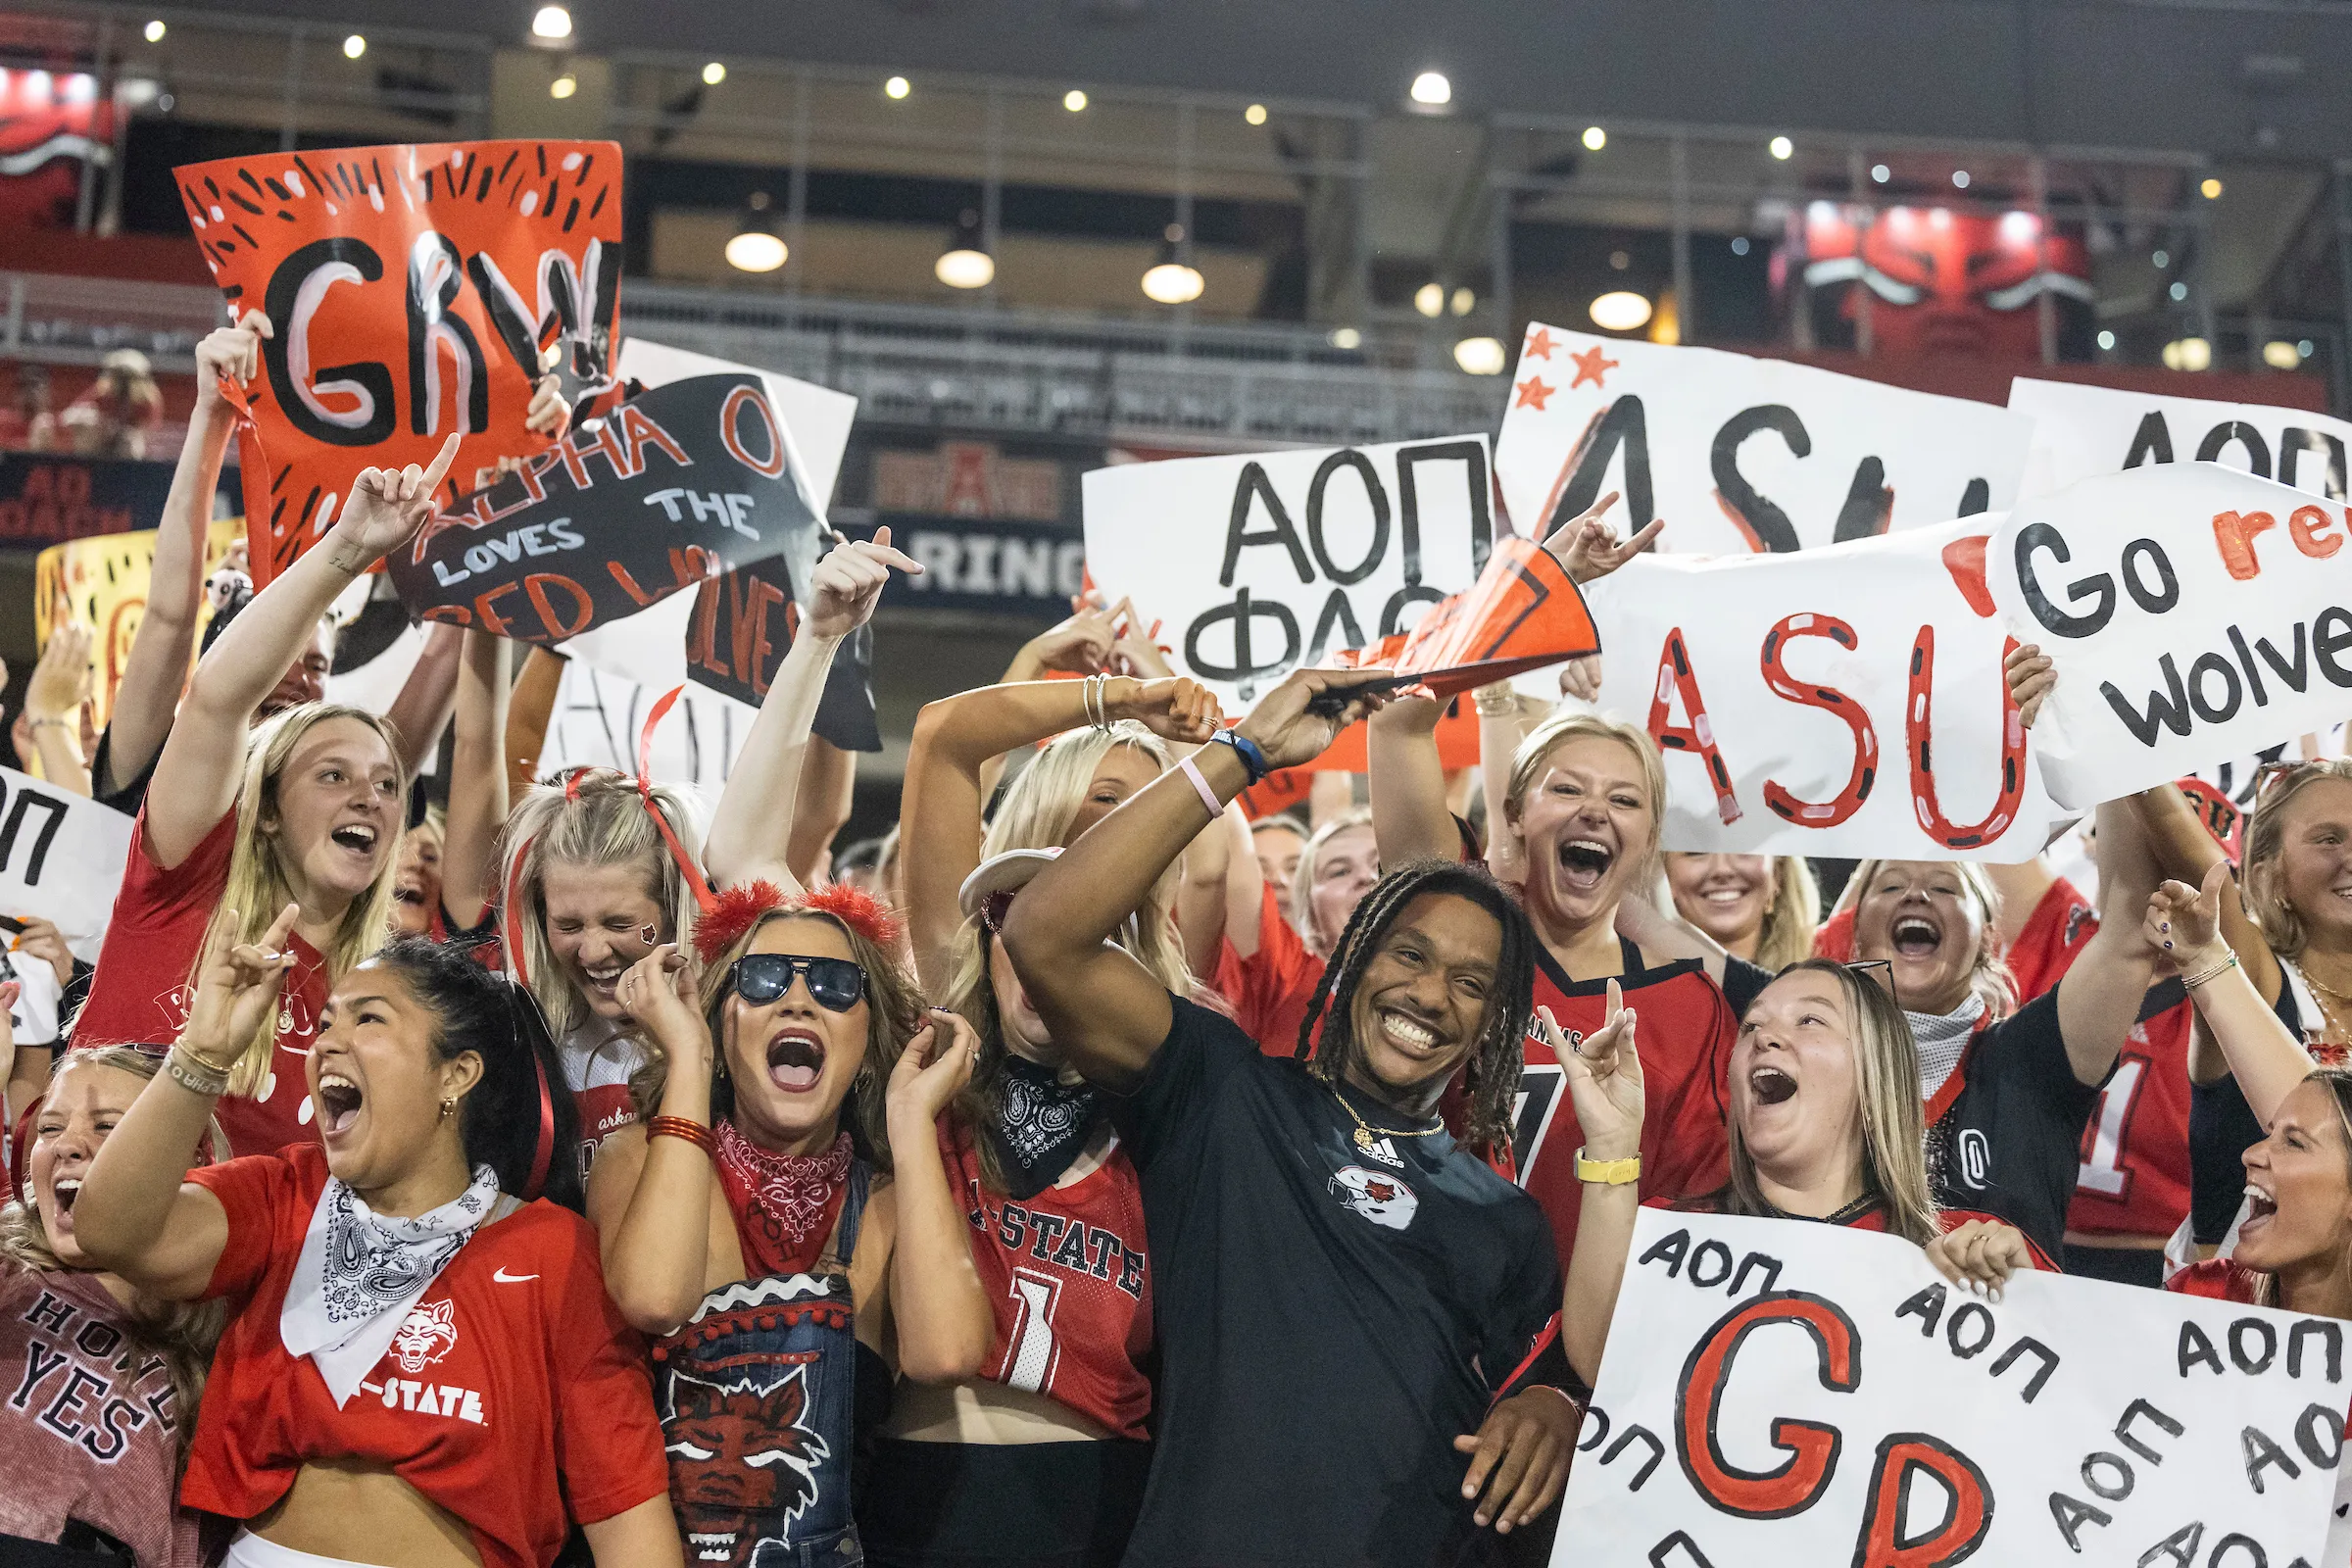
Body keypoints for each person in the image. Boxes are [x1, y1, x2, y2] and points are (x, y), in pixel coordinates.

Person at [1002, 665, 1581, 1564]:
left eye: (1471, 984)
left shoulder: (1506, 1219)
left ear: (1493, 1026)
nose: (1430, 995)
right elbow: (1044, 934)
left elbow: (1547, 1390)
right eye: (1409, 955)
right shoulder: (1224, 1093)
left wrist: (1557, 1407)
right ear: (1347, 961)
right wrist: (1244, 755)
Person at [72, 918, 680, 1568]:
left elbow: (624, 1513)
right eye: (326, 1023)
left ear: (456, 1074)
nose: (329, 1043)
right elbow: (111, 1229)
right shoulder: (287, 1197)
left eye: (368, 1020)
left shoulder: (552, 1253)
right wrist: (202, 1053)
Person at [871, 667, 1217, 1566]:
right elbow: (945, 734)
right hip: (921, 1491)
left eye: (1150, 812)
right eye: (1104, 798)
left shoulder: (1173, 1058)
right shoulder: (955, 985)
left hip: (1099, 1505)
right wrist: (1124, 699)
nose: (1122, 828)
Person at [70, 436, 463, 1156]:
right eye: (333, 776)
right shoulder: (187, 876)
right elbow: (216, 699)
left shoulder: (378, 1003)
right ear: (270, 810)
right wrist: (347, 550)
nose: (368, 799)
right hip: (67, 1261)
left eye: (385, 786)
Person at [589, 888, 992, 1567]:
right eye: (763, 979)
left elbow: (947, 1354)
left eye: (837, 985)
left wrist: (910, 1116)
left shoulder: (892, 1202)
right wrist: (689, 1058)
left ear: (868, 1041)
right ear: (721, 1020)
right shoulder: (638, 1156)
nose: (799, 1001)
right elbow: (655, 1298)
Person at [501, 531, 917, 1176]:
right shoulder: (515, 1032)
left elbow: (753, 844)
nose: (592, 950)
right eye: (568, 924)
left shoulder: (748, 1005)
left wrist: (821, 637)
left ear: (672, 910)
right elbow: (504, 747)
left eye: (620, 923)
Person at [1555, 959, 2049, 1387]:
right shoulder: (1674, 1234)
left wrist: (2028, 1299)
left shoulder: (1964, 1250)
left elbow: (2075, 1416)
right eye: (1750, 1027)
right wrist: (1612, 1143)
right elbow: (1602, 1361)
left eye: (1810, 1020)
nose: (1765, 1037)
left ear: (1877, 1077)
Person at [1833, 828, 2158, 1265]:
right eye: (1891, 885)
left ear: (1989, 938)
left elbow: (2128, 934)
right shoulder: (1800, 1052)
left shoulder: (2032, 1055)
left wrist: (2120, 771)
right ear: (1852, 932)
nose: (1916, 895)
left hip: (2001, 1331)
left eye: (1945, 887)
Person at [1, 1045, 224, 1568]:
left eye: (107, 1126)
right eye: (50, 1128)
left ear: (184, 1158)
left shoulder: (221, 1334)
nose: (68, 1145)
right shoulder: (9, 1272)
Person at [2142, 866, 2352, 1315]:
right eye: (2270, 1131)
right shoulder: (2208, 1296)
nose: (2251, 1153)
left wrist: (2205, 958)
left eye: (2292, 1142)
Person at [1662, 853, 1819, 970]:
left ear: (1777, 875)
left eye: (1744, 846)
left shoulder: (1823, 979)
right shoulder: (1640, 989)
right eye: (1696, 851)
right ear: (1662, 873)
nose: (1722, 870)